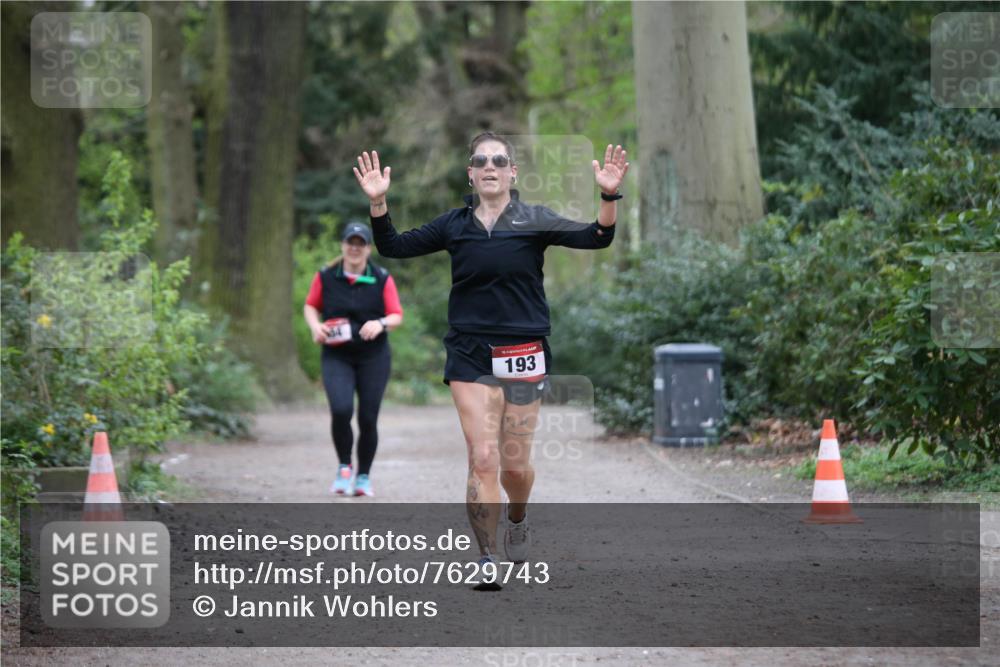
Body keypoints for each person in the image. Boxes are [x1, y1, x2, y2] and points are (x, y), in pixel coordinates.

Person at [353, 133, 628, 589]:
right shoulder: (454, 224)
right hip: (469, 349)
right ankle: (486, 556)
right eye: (481, 160)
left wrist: (608, 194)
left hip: (523, 349)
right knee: (482, 456)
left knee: (514, 465)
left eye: (499, 160)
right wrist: (379, 203)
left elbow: (598, 237)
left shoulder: (534, 220)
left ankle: (517, 518)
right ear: (471, 173)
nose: (490, 166)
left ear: (512, 172)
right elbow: (394, 247)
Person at [303, 221, 404, 497]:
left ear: (369, 249)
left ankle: (363, 477)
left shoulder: (382, 277)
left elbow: (397, 315)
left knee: (368, 418)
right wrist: (315, 327)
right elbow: (311, 306)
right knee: (341, 409)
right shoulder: (326, 276)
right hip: (337, 356)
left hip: (374, 357)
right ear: (343, 245)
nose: (355, 248)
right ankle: (344, 466)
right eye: (351, 242)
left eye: (361, 244)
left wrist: (381, 323)